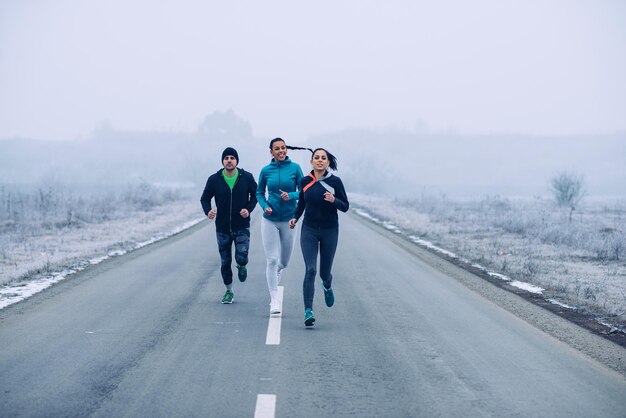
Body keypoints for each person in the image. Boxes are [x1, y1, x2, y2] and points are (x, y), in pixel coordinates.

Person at [289, 148, 349, 327]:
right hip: (309, 229)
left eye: (324, 158)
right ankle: (308, 310)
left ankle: (327, 285)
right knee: (311, 269)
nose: (320, 161)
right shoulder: (305, 181)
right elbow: (301, 204)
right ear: (311, 162)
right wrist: (294, 217)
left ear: (328, 163)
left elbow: (345, 206)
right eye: (317, 158)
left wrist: (334, 200)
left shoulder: (335, 182)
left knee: (323, 273)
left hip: (330, 230)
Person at [201, 147, 258, 304]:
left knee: (241, 256)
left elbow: (256, 195)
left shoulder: (246, 177)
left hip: (242, 226)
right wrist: (208, 211)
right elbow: (204, 198)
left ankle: (241, 265)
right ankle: (229, 291)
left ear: (237, 161)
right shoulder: (214, 179)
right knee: (225, 262)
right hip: (222, 228)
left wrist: (248, 209)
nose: (229, 160)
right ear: (222, 161)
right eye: (226, 158)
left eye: (232, 157)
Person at [256, 138, 305, 314]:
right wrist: (265, 206)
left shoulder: (295, 168)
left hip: (289, 221)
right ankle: (274, 300)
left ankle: (275, 275)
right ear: (271, 152)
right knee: (272, 259)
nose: (281, 151)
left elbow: (304, 191)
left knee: (283, 262)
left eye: (283, 148)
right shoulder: (266, 171)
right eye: (277, 149)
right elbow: (259, 192)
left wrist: (291, 196)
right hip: (269, 219)